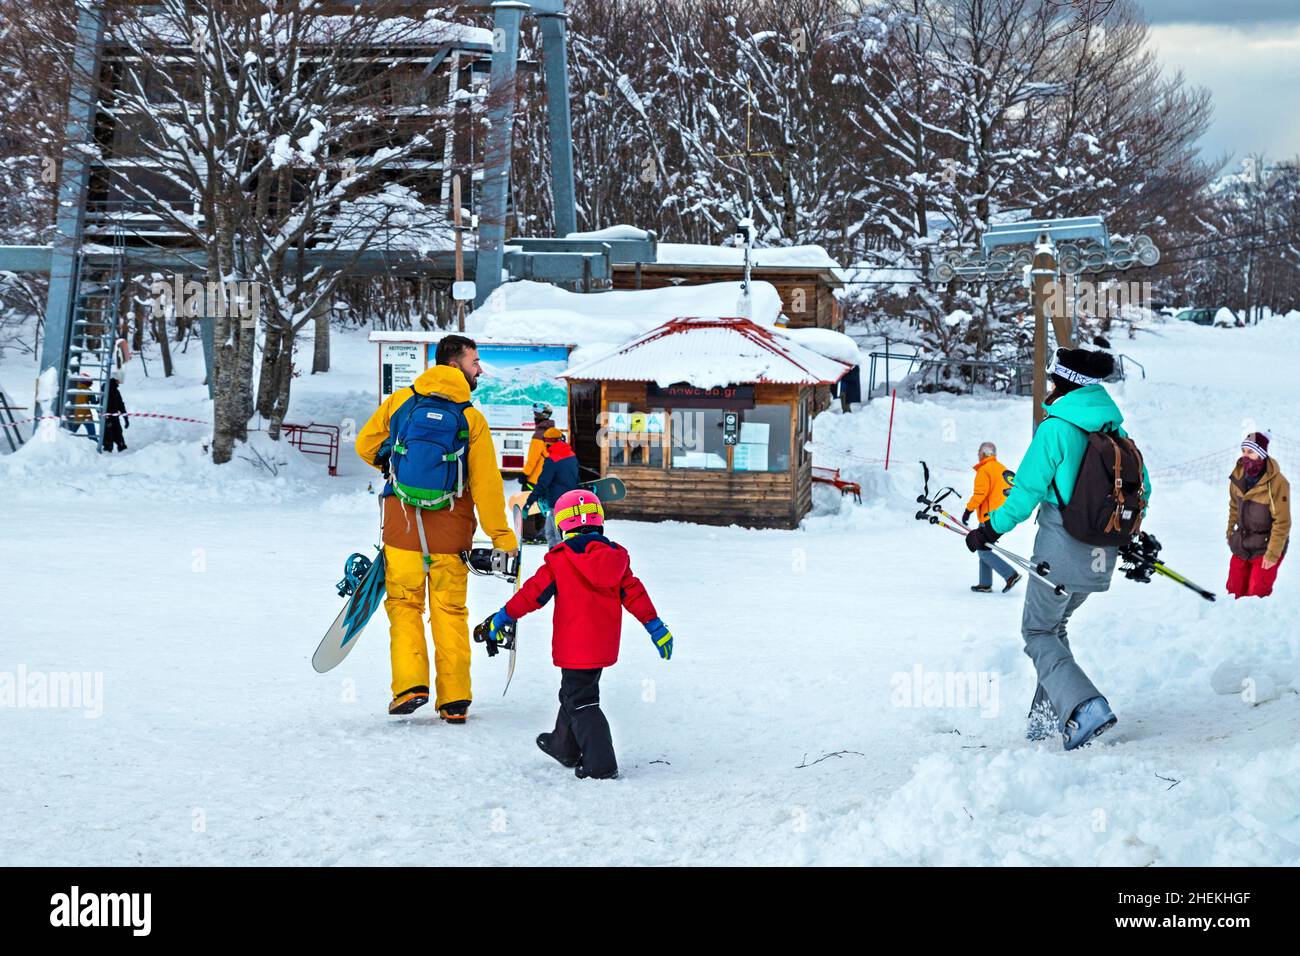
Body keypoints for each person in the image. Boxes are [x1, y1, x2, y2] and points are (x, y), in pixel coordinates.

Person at [965, 346, 1151, 751]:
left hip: (1060, 551)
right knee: (1055, 628)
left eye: (1053, 378)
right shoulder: (1116, 432)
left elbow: (1025, 492)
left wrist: (988, 530)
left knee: (1036, 630)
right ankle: (1048, 719)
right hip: (1101, 556)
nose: (1050, 385)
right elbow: (1144, 490)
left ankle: (1085, 707)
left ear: (1066, 382)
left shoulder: (1056, 428)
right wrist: (1130, 539)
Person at [356, 334, 518, 722]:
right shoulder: (471, 419)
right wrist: (503, 537)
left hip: (402, 529)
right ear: (454, 365)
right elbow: (486, 486)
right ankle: (455, 700)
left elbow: (365, 444)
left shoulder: (400, 402)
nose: (478, 369)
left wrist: (391, 465)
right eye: (474, 361)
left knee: (404, 605)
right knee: (449, 611)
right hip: (451, 533)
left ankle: (410, 686)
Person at [476, 489, 672, 779]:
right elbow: (635, 595)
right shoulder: (616, 559)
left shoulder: (560, 560)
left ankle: (600, 764)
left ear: (562, 526)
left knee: (582, 701)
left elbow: (531, 595)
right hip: (602, 647)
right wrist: (656, 628)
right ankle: (563, 745)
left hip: (574, 647)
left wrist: (503, 617)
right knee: (574, 693)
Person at [1226, 431, 1290, 599]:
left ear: (1261, 455)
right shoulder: (1239, 476)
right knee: (1234, 590)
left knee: (1256, 593)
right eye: (1243, 451)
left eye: (1250, 452)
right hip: (1243, 542)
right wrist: (1230, 533)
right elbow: (1234, 506)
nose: (1245, 456)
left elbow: (1282, 522)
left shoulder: (1277, 483)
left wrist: (1273, 553)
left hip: (1266, 546)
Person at [962, 441, 1021, 594]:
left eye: (978, 453)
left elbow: (980, 494)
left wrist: (968, 510)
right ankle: (985, 583)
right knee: (984, 548)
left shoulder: (985, 470)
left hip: (990, 517)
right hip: (1001, 515)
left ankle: (1010, 575)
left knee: (983, 549)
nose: (978, 456)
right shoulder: (1000, 468)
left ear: (983, 454)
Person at [524, 427, 580, 548]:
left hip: (557, 505)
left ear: (548, 443)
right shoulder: (572, 455)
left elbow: (543, 483)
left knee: (557, 536)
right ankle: (554, 560)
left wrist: (529, 502)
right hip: (568, 502)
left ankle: (561, 563)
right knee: (550, 533)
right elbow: (576, 478)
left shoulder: (552, 460)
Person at [102, 373, 129, 453]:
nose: (119, 382)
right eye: (117, 380)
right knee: (108, 435)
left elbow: (121, 405)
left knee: (118, 432)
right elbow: (100, 404)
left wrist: (125, 418)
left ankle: (122, 449)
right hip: (107, 418)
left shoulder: (116, 391)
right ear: (113, 380)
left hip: (115, 417)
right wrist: (105, 416)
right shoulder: (105, 390)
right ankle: (107, 451)